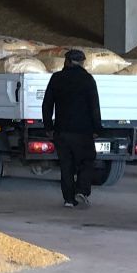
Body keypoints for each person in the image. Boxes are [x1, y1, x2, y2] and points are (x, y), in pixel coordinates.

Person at [43, 49, 103, 208]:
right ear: (82, 62)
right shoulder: (88, 80)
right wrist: (97, 129)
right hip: (83, 132)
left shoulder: (57, 78)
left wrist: (48, 127)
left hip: (62, 131)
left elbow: (47, 104)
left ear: (67, 61)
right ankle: (82, 191)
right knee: (87, 161)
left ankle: (69, 199)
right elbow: (94, 107)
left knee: (66, 165)